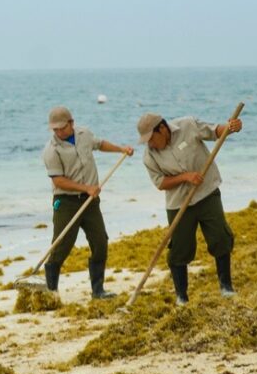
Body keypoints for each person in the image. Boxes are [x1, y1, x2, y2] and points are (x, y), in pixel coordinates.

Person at [137, 111, 243, 305]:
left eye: (151, 139)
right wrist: (185, 177)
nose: (150, 144)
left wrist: (230, 127)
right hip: (179, 203)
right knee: (179, 250)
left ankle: (226, 287)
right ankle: (181, 297)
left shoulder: (188, 125)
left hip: (207, 193)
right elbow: (160, 183)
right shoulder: (149, 155)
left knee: (220, 237)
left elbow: (215, 131)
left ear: (162, 129)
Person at [42, 106, 133, 299]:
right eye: (54, 129)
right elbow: (58, 180)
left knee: (100, 242)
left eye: (61, 128)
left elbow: (99, 144)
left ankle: (98, 291)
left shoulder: (84, 134)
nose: (58, 132)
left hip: (91, 201)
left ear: (71, 123)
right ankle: (51, 292)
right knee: (62, 245)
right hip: (65, 202)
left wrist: (121, 149)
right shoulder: (51, 150)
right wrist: (86, 188)